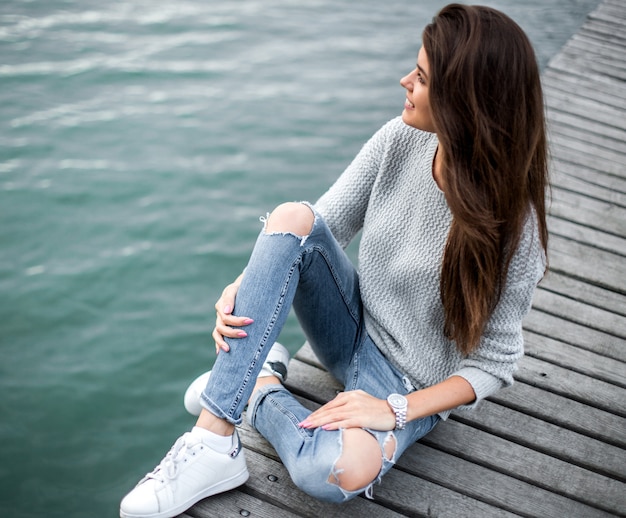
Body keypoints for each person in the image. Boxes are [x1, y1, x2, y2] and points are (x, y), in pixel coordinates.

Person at [120, 4, 549, 517]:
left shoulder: (514, 229)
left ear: (465, 103)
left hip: (411, 385)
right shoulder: (400, 139)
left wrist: (396, 410)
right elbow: (316, 225)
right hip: (348, 328)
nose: (404, 80)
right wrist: (241, 285)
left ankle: (256, 385)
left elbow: (495, 363)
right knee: (291, 216)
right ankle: (214, 439)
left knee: (330, 474)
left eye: (422, 77)